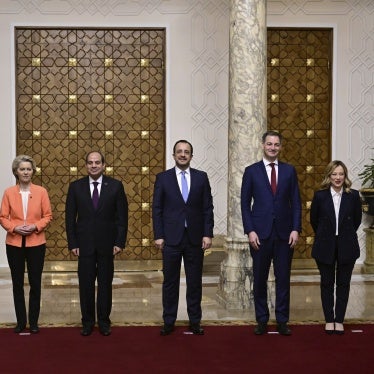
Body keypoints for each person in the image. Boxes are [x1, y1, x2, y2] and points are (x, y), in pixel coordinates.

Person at [241, 131, 302, 336]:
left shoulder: (289, 171)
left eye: (276, 145)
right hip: (260, 234)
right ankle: (262, 320)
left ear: (281, 147)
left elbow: (296, 203)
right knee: (259, 279)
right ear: (262, 145)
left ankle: (282, 320)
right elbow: (244, 204)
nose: (273, 148)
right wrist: (250, 230)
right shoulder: (251, 171)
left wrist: (296, 228)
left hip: (285, 234)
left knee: (283, 278)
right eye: (269, 144)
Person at [152, 140, 214, 336]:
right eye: (179, 151)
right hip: (170, 238)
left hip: (195, 238)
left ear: (191, 156)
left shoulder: (201, 178)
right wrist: (159, 235)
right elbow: (157, 209)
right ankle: (169, 320)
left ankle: (195, 321)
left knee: (194, 282)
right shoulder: (163, 178)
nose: (183, 154)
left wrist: (207, 233)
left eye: (186, 152)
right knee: (170, 282)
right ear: (173, 155)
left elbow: (207, 208)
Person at [65, 151, 128, 336]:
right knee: (85, 284)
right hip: (83, 245)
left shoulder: (115, 186)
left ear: (103, 165)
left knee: (105, 283)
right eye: (90, 162)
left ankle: (103, 321)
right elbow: (70, 219)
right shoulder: (75, 187)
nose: (94, 165)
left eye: (97, 162)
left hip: (108, 244)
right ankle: (87, 321)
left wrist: (119, 242)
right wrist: (72, 243)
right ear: (86, 165)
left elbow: (122, 218)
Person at [0, 155, 52, 334]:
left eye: (29, 169)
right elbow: (2, 217)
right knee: (17, 283)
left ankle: (34, 321)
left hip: (36, 243)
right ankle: (21, 322)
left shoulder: (41, 192)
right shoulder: (8, 192)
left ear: (33, 171)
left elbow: (47, 216)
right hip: (14, 243)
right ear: (16, 171)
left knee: (35, 282)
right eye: (22, 169)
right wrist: (14, 228)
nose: (26, 172)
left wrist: (35, 227)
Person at [310, 160, 362, 335]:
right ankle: (329, 320)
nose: (338, 177)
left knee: (343, 284)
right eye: (334, 174)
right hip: (325, 245)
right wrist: (327, 234)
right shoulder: (320, 196)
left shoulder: (353, 196)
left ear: (345, 176)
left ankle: (339, 320)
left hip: (347, 244)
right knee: (326, 283)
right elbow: (314, 221)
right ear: (329, 176)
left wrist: (342, 235)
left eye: (341, 174)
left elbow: (356, 220)